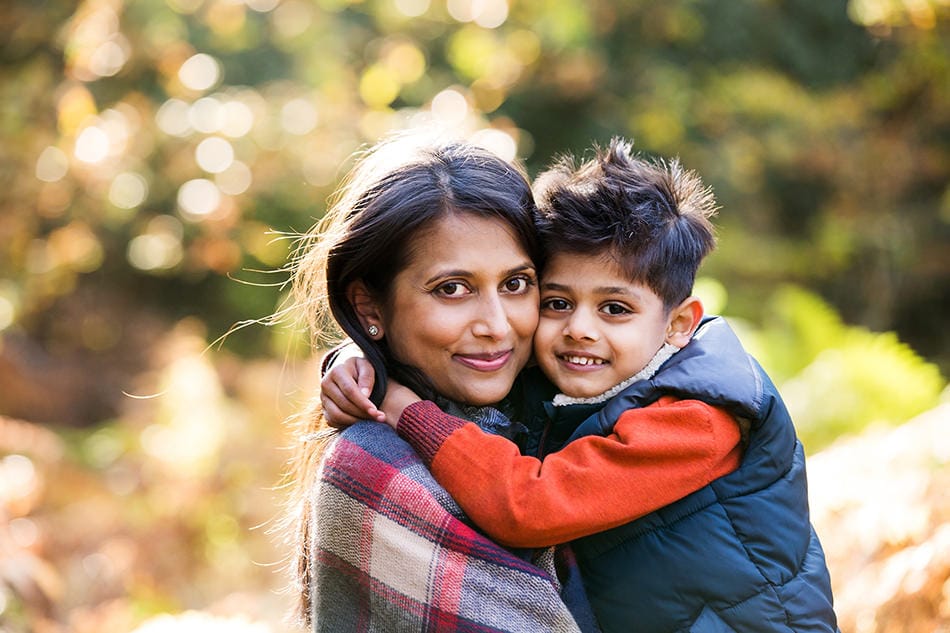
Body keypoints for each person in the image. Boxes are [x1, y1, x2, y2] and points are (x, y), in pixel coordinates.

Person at [323, 139, 839, 632]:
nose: (579, 329)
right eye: (557, 302)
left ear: (678, 325)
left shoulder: (697, 418)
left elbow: (530, 504)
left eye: (614, 308)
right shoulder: (577, 377)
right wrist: (359, 358)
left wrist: (403, 405)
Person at [281, 130, 599, 632]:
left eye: (516, 284)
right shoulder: (376, 467)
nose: (496, 325)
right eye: (452, 289)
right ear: (368, 305)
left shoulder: (561, 401)